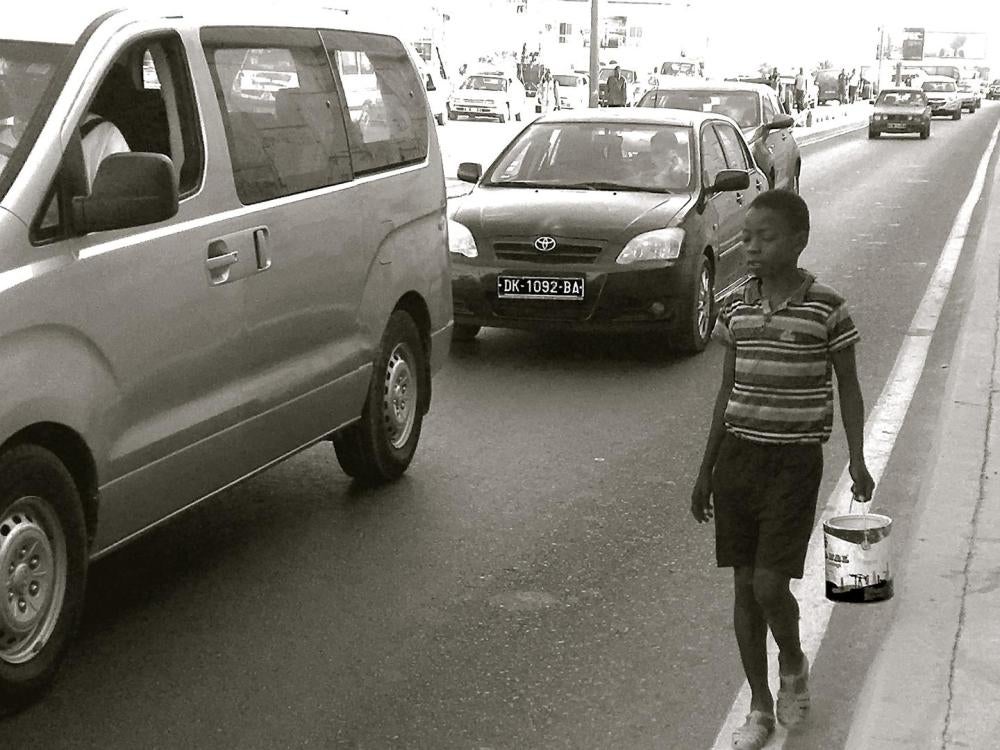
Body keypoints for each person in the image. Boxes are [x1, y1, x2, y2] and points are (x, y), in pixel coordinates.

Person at [691, 189, 874, 750]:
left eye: (764, 238)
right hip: (738, 460)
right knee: (744, 589)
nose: (750, 247)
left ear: (799, 242)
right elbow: (728, 390)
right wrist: (705, 470)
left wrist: (859, 458)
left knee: (771, 584)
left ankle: (792, 660)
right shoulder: (736, 307)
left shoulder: (827, 308)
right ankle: (759, 705)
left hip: (794, 463)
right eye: (746, 237)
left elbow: (847, 384)